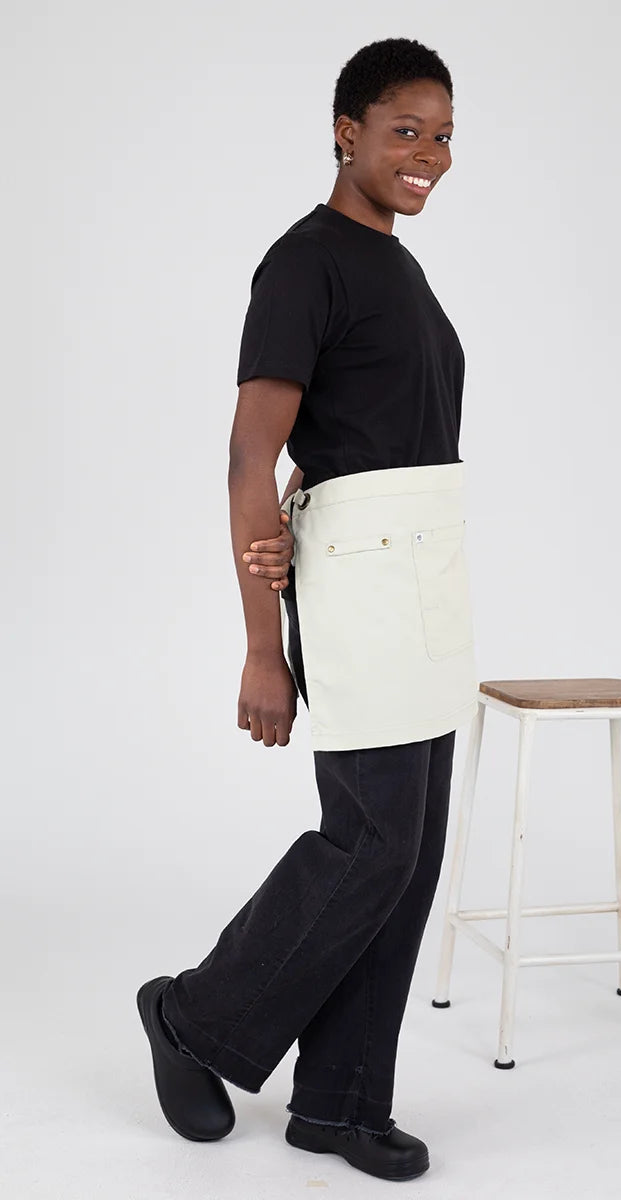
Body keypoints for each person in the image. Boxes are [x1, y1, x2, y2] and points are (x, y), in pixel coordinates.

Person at [137, 37, 475, 1183]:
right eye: (403, 130)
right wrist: (259, 649)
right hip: (366, 584)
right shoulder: (306, 263)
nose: (427, 154)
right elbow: (251, 457)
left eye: (442, 136)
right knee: (368, 842)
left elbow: (360, 441)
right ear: (345, 131)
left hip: (426, 576)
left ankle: (339, 1102)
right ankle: (192, 1018)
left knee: (408, 856)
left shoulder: (397, 268)